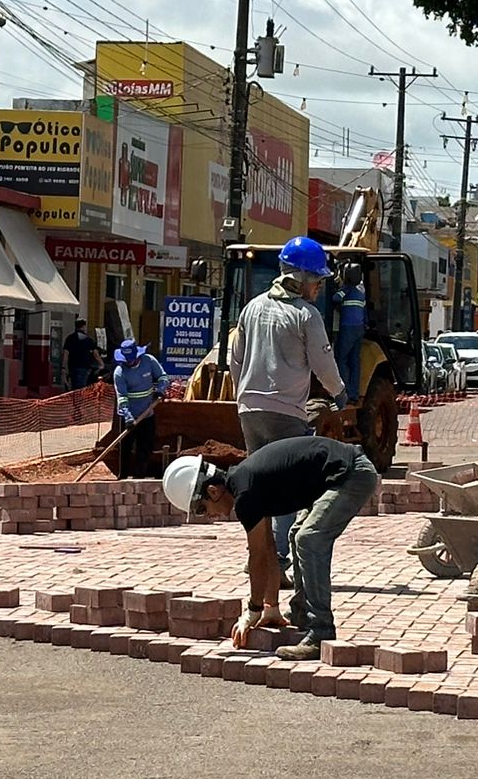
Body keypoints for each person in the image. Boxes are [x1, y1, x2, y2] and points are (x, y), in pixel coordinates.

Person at [161, 436, 378, 660]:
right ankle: (301, 612)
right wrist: (270, 606)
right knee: (296, 535)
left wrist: (253, 611)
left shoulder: (245, 494)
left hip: (352, 474)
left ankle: (321, 631)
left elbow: (257, 558)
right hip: (343, 472)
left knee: (309, 539)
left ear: (213, 491)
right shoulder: (246, 483)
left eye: (201, 509)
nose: (208, 516)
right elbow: (267, 549)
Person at [233, 236, 348, 572]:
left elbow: (235, 359)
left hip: (250, 411)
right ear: (302, 278)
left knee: (259, 486)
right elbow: (323, 363)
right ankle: (277, 557)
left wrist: (244, 393)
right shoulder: (306, 316)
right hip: (285, 412)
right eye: (318, 281)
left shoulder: (251, 308)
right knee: (288, 487)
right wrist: (338, 391)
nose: (320, 288)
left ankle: (259, 556)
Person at [111, 338, 171, 475]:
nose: (130, 362)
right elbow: (122, 397)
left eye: (132, 358)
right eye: (127, 359)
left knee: (145, 447)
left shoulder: (149, 361)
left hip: (147, 413)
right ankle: (123, 477)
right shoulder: (120, 373)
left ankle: (140, 476)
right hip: (129, 416)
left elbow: (163, 377)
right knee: (125, 449)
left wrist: (160, 390)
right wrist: (128, 417)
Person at [332, 261, 367, 403]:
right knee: (354, 361)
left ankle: (344, 392)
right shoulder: (361, 293)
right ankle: (354, 393)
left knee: (341, 358)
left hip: (348, 328)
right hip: (359, 329)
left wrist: (340, 286)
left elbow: (334, 299)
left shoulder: (346, 291)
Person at [62, 319, 102, 391]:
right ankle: (80, 401)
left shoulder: (69, 338)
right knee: (81, 389)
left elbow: (66, 354)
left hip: (72, 366)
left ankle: (75, 401)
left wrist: (64, 367)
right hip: (84, 367)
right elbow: (95, 354)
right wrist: (101, 363)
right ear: (84, 326)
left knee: (74, 387)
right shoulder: (88, 339)